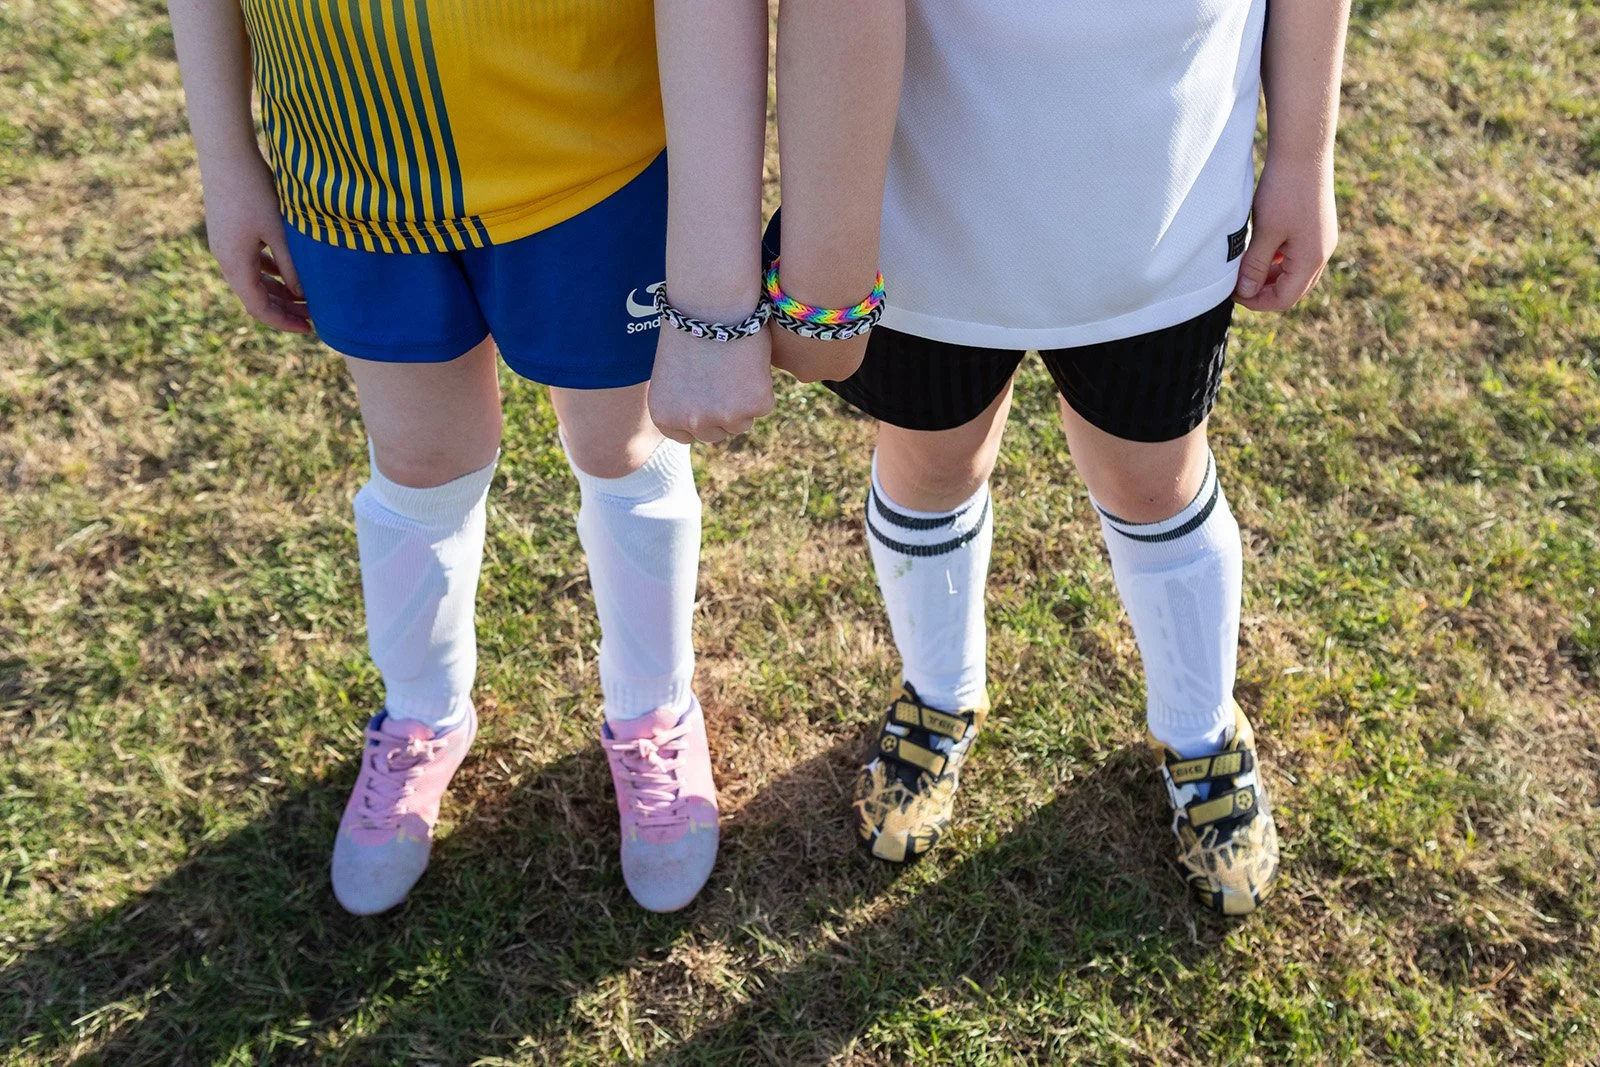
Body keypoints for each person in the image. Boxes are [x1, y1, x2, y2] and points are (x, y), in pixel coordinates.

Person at [666, 0, 1351, 915]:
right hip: (915, 182)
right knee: (933, 458)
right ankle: (940, 692)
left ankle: (1201, 730)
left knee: (1152, 476)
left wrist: (1305, 153)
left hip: (1163, 179)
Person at [168, 0, 719, 914]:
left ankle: (653, 708)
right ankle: (423, 712)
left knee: (620, 444)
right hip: (345, 164)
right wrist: (227, 158)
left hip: (593, 146)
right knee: (420, 462)